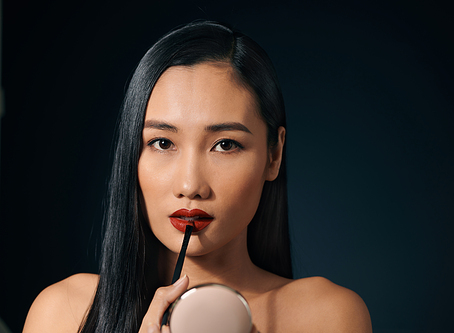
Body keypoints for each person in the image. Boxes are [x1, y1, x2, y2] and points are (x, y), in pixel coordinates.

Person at [22, 21, 372, 333]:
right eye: (162, 142)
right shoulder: (64, 312)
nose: (190, 186)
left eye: (225, 145)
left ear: (273, 154)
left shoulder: (325, 317)